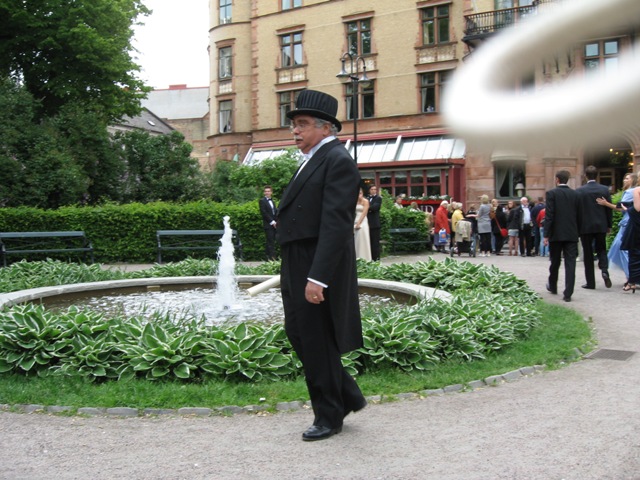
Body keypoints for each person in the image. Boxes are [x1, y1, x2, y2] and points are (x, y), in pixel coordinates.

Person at [276, 89, 366, 442]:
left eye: (301, 125)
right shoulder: (316, 157)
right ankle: (346, 396)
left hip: (315, 261)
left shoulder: (337, 159)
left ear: (325, 128)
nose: (294, 131)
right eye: (294, 125)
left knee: (313, 336)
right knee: (300, 333)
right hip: (299, 256)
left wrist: (318, 277)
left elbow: (336, 224)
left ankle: (329, 415)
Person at [544, 170, 581, 302]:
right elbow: (579, 215)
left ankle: (553, 285)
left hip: (556, 233)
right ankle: (568, 293)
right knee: (570, 263)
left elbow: (549, 215)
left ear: (557, 179)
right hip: (571, 233)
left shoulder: (551, 193)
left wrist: (546, 235)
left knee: (555, 261)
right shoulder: (575, 194)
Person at [597, 172, 638, 289]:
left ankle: (632, 277)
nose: (625, 180)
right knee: (621, 248)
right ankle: (630, 276)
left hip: (628, 222)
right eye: (624, 178)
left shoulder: (631, 192)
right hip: (627, 221)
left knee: (623, 247)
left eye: (627, 178)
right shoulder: (632, 191)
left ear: (633, 180)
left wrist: (605, 203)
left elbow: (619, 208)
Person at [576, 165, 612, 290]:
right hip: (601, 224)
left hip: (585, 226)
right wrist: (609, 225)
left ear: (586, 176)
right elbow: (608, 209)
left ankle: (590, 282)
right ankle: (604, 271)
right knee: (602, 249)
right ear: (596, 176)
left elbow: (577, 211)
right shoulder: (604, 189)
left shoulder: (579, 191)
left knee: (588, 254)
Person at [620, 180, 640, 293]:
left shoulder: (637, 190)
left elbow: (638, 208)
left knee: (635, 254)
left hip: (637, 227)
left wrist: (628, 209)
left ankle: (631, 282)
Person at [259, 185, 278, 261]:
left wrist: (277, 221)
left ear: (271, 192)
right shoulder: (262, 201)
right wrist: (272, 222)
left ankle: (268, 257)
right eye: (266, 191)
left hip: (274, 224)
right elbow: (264, 213)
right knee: (270, 241)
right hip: (268, 224)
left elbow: (274, 212)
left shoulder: (273, 201)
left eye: (268, 191)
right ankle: (272, 258)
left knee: (271, 241)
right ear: (264, 192)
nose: (267, 193)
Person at [354, 188, 372, 261]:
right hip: (355, 220)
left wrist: (358, 223)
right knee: (356, 240)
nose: (359, 195)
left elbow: (364, 213)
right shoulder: (354, 201)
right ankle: (356, 257)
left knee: (362, 238)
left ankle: (365, 258)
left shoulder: (365, 201)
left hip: (362, 221)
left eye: (360, 193)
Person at [366, 185, 382, 261]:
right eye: (372, 189)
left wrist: (367, 208)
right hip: (367, 223)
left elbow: (375, 207)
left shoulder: (378, 198)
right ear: (369, 190)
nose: (373, 191)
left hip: (375, 224)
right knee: (368, 242)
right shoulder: (367, 198)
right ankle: (370, 257)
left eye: (375, 189)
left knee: (375, 242)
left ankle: (376, 258)